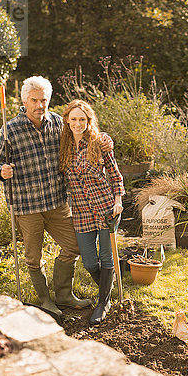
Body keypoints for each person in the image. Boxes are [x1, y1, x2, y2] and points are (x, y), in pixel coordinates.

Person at [0, 76, 111, 316]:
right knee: (33, 257)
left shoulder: (57, 122)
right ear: (25, 101)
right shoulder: (10, 130)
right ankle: (45, 300)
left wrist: (105, 138)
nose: (39, 105)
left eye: (43, 100)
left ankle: (64, 294)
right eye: (34, 100)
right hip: (26, 206)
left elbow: (82, 130)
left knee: (74, 245)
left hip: (57, 202)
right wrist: (1, 171)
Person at [59, 99, 125, 325]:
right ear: (67, 120)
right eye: (74, 119)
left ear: (89, 122)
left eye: (82, 120)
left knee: (107, 257)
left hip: (106, 207)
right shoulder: (63, 147)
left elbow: (116, 176)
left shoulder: (99, 143)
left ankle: (102, 303)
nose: (78, 124)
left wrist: (118, 201)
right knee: (89, 262)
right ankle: (110, 285)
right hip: (80, 212)